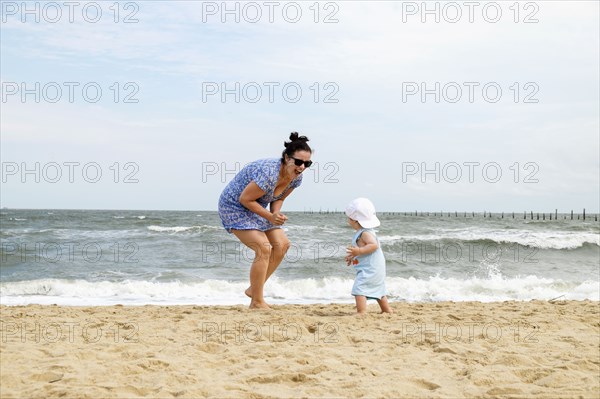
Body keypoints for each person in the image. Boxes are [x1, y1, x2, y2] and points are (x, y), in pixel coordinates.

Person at [218, 132, 313, 309]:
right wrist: (270, 216)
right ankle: (257, 301)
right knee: (263, 248)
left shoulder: (297, 177)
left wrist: (275, 214)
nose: (302, 167)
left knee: (283, 245)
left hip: (257, 204)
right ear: (286, 157)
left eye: (307, 163)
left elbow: (279, 197)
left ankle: (253, 289)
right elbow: (245, 199)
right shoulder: (269, 172)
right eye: (298, 162)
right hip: (234, 205)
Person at [345, 198, 393, 314]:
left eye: (349, 218)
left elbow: (373, 245)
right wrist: (353, 255)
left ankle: (362, 312)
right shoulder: (366, 231)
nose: (348, 220)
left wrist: (359, 251)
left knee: (359, 289)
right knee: (379, 290)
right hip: (375, 267)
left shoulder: (365, 233)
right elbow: (364, 249)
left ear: (355, 220)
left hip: (370, 269)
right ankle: (387, 310)